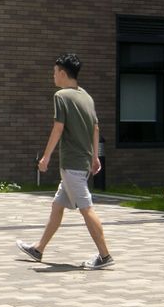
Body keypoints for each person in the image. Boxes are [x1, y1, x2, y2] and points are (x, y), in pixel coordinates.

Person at [18, 54, 113, 269]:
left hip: (72, 164)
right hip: (81, 163)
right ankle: (38, 248)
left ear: (62, 73)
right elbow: (95, 128)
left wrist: (46, 156)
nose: (53, 76)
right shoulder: (86, 97)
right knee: (57, 205)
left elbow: (58, 128)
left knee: (86, 208)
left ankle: (105, 256)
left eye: (54, 72)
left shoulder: (61, 96)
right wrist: (95, 156)